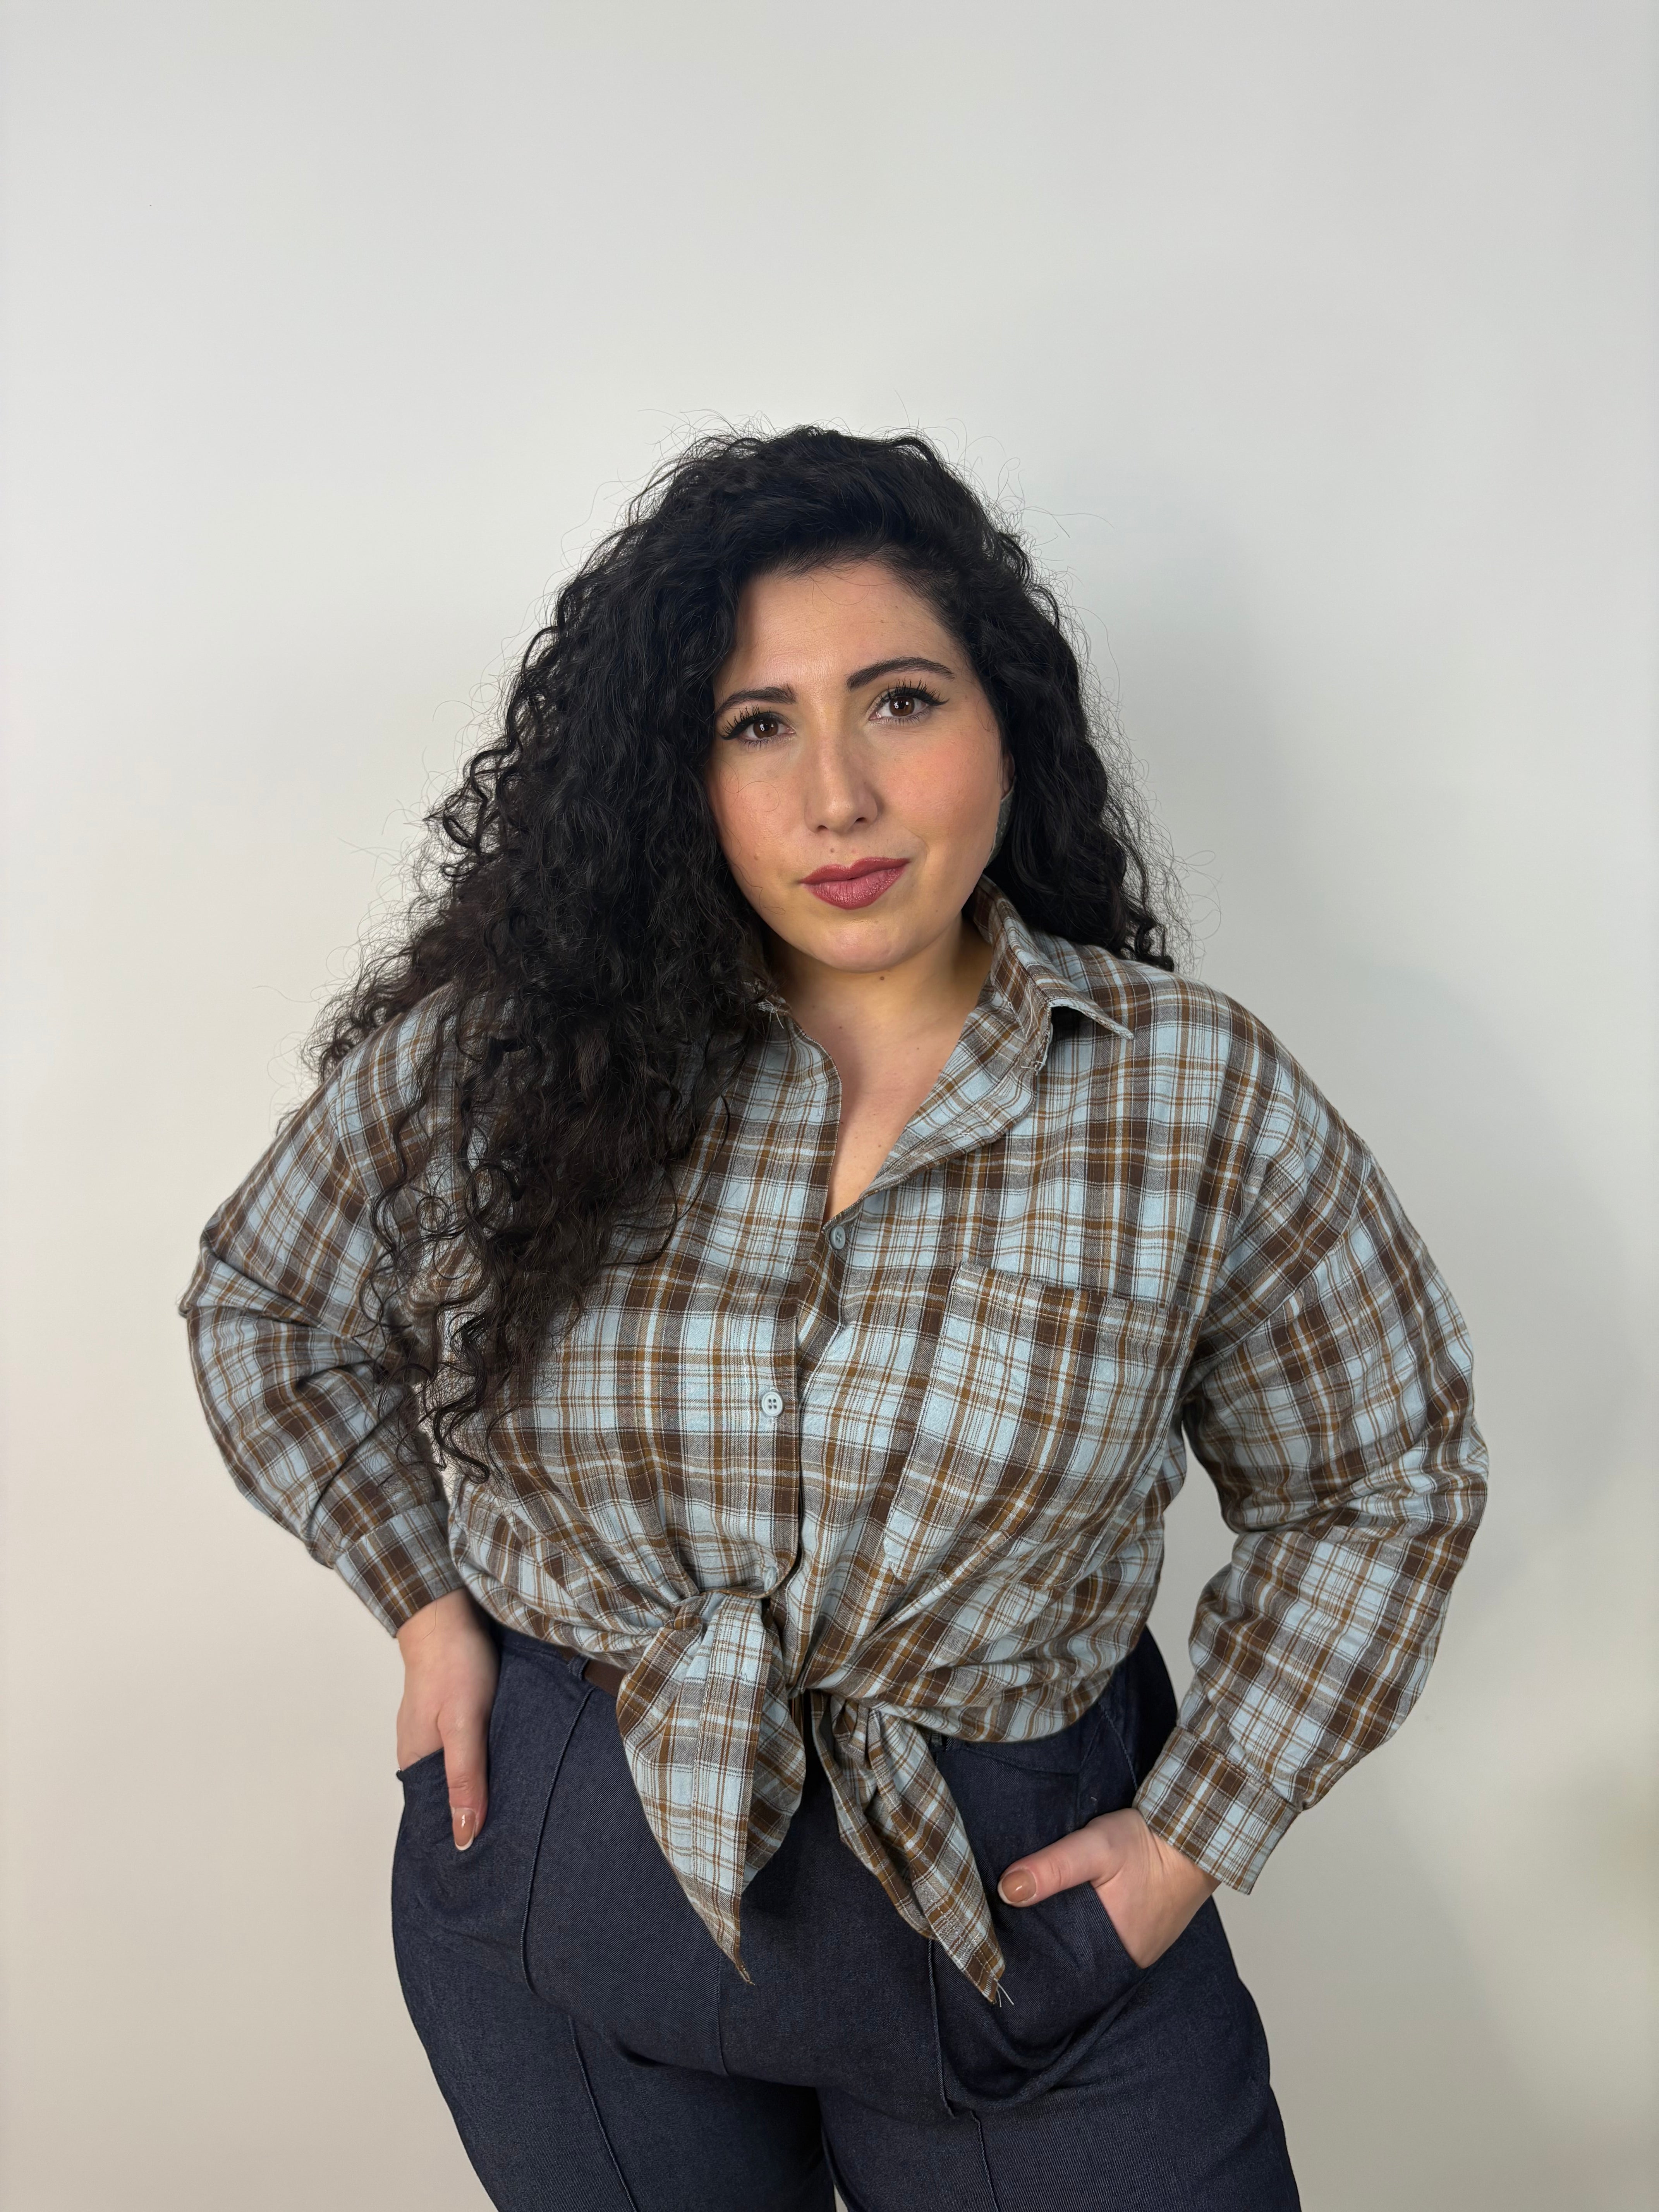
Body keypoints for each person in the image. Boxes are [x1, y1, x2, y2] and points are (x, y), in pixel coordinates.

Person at [180, 426, 1487, 2212]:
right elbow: (272, 1305)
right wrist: (425, 1609)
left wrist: (1195, 1837)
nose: (837, 799)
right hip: (569, 1891)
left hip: (1021, 1933)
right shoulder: (515, 1052)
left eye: (899, 703)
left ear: (1007, 721)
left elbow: (1381, 1477)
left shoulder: (1191, 1093)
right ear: (681, 772)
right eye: (757, 725)